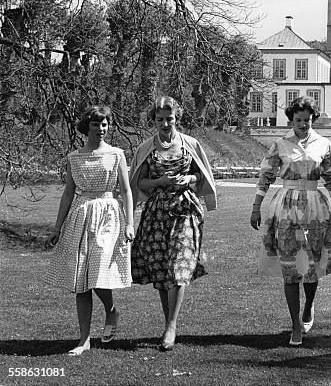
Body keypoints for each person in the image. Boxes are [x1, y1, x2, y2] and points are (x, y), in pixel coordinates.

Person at [250, 96, 331, 347]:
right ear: (291, 120)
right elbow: (265, 178)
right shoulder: (280, 145)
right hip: (286, 207)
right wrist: (256, 208)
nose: (303, 124)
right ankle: (295, 324)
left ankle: (309, 307)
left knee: (312, 266)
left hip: (316, 207)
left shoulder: (324, 144)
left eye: (307, 120)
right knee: (291, 268)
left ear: (313, 119)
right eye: (298, 120)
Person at [130, 96, 217, 351]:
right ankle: (168, 321)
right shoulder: (147, 148)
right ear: (153, 120)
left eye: (169, 118)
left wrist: (188, 178)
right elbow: (139, 182)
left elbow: (202, 175)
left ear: (177, 117)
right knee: (161, 269)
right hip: (157, 214)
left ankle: (172, 325)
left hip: (185, 210)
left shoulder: (190, 144)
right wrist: (161, 181)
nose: (165, 124)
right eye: (160, 119)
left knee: (180, 265)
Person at [46, 105, 133, 355]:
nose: (101, 129)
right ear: (88, 126)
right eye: (96, 124)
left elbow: (126, 191)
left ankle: (111, 309)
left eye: (105, 124)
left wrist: (129, 223)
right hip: (80, 216)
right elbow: (67, 193)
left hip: (108, 216)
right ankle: (84, 339)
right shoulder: (74, 157)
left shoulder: (117, 154)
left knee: (97, 273)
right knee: (81, 281)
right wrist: (57, 227)